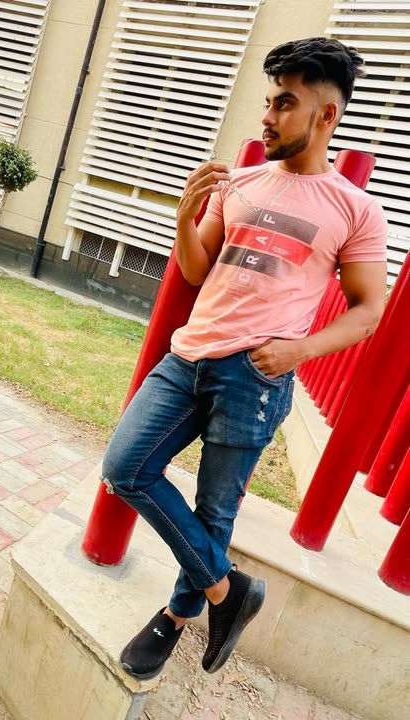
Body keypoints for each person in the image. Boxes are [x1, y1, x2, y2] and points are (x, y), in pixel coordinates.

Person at [101, 36, 388, 680]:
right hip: (188, 358)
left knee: (215, 513)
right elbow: (196, 268)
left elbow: (368, 309)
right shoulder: (243, 182)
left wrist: (301, 350)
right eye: (269, 101)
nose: (267, 115)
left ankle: (175, 618)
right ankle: (229, 593)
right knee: (125, 468)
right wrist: (185, 218)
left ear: (326, 115)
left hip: (254, 375)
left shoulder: (356, 210)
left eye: (284, 103)